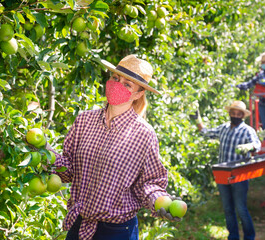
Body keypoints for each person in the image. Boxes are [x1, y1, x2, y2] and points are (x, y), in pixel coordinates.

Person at [32, 55, 180, 240]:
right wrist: (43, 149)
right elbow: (68, 170)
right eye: (116, 78)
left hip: (117, 231)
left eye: (128, 84)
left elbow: (149, 182)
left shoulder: (143, 134)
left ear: (138, 94)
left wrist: (161, 203)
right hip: (80, 224)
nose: (118, 85)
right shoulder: (85, 121)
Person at [194, 100, 261, 240]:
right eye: (233, 113)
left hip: (239, 175)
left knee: (241, 208)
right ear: (230, 113)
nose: (235, 115)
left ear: (242, 116)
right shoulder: (224, 128)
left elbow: (257, 144)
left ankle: (249, 236)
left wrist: (249, 147)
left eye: (238, 114)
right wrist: (197, 120)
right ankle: (233, 236)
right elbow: (206, 133)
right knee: (228, 209)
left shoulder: (247, 130)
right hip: (223, 175)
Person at [236, 52, 265, 151]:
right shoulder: (261, 74)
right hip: (262, 103)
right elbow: (250, 84)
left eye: (264, 62)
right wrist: (238, 86)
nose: (262, 64)